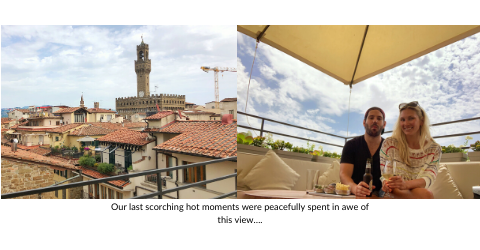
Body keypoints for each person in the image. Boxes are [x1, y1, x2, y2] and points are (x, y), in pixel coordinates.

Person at [380, 101, 441, 199]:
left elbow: (429, 177)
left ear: (421, 121)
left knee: (426, 194)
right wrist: (386, 183)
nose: (406, 123)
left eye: (411, 118)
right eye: (402, 119)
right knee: (426, 195)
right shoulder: (390, 144)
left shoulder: (434, 149)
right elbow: (384, 173)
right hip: (393, 190)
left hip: (416, 191)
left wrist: (405, 184)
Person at [340, 107, 386, 197]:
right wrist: (355, 188)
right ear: (364, 122)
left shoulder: (389, 148)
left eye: (379, 118)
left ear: (384, 124)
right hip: (354, 196)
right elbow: (344, 175)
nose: (375, 121)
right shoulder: (351, 145)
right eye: (371, 117)